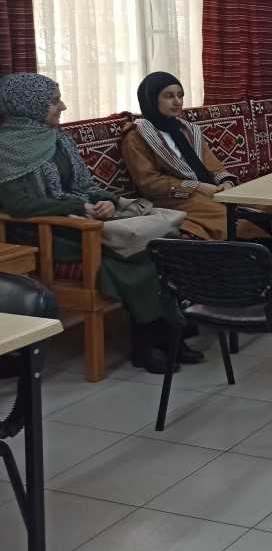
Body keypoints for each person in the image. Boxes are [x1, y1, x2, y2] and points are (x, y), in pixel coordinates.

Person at [0, 74, 199, 374]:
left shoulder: (57, 138)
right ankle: (148, 345)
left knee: (164, 251)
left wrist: (105, 199)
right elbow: (20, 205)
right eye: (54, 101)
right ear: (29, 105)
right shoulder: (6, 148)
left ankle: (170, 337)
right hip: (45, 235)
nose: (63, 106)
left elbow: (84, 184)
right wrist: (79, 207)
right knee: (139, 259)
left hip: (84, 221)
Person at [120, 71, 266, 241]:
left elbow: (214, 166)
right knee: (230, 217)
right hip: (172, 198)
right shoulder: (136, 135)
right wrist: (196, 187)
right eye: (169, 96)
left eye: (180, 95)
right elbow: (149, 183)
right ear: (152, 99)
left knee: (265, 204)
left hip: (209, 190)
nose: (177, 102)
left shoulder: (187, 129)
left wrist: (225, 183)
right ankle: (262, 252)